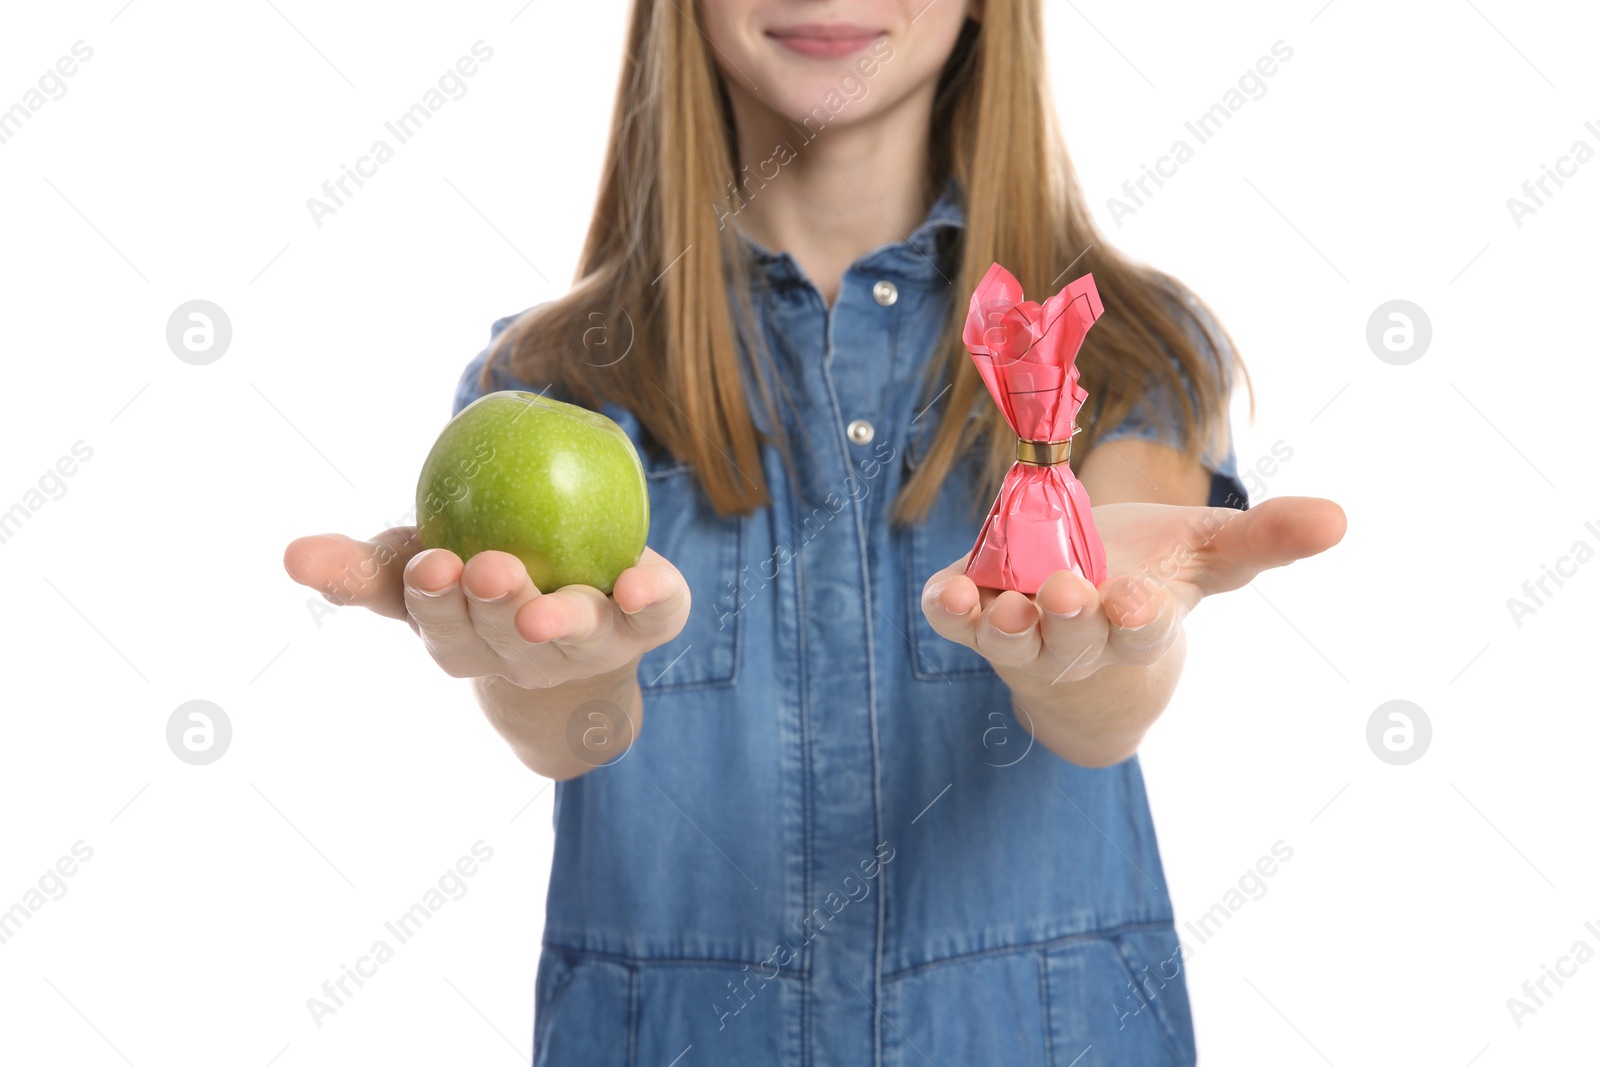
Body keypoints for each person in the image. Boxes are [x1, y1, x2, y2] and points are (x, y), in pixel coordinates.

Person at [284, 1, 1345, 1063]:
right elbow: (564, 733)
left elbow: (1101, 716)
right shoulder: (552, 378)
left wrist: (1104, 637)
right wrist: (553, 671)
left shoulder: (1126, 347)